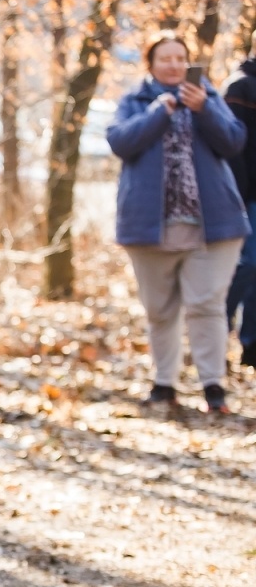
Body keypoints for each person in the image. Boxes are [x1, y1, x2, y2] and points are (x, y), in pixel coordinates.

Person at [108, 32, 250, 413]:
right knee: (160, 310)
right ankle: (164, 384)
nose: (173, 65)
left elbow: (233, 141)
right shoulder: (135, 101)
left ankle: (213, 387)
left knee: (207, 305)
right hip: (149, 226)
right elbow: (120, 142)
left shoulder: (209, 96)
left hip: (212, 226)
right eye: (165, 58)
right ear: (151, 63)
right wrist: (159, 112)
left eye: (180, 58)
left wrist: (204, 109)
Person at [221, 35, 256, 367]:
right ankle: (219, 326)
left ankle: (251, 345)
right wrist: (239, 195)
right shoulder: (240, 86)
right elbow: (232, 149)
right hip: (247, 197)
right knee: (249, 264)